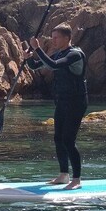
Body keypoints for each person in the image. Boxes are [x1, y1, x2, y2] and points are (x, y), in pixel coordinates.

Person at [24, 23, 88, 190]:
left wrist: (37, 49)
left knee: (68, 139)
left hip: (76, 102)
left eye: (56, 37)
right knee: (58, 138)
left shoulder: (75, 55)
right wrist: (29, 57)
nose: (53, 40)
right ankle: (63, 175)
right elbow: (36, 66)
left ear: (67, 38)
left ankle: (77, 179)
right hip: (62, 101)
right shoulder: (59, 53)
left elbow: (53, 65)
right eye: (52, 38)